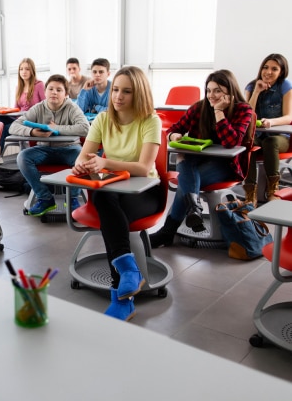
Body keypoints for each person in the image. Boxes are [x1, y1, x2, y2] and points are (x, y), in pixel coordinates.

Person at [72, 66, 162, 321]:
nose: (118, 96)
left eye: (127, 91)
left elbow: (144, 169)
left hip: (145, 193)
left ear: (140, 94)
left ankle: (122, 296)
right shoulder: (102, 119)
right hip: (111, 190)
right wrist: (82, 164)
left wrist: (106, 163)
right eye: (116, 90)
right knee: (103, 197)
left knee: (110, 212)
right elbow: (83, 156)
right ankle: (128, 274)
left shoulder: (150, 120)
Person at [150, 70, 253, 248]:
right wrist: (175, 136)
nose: (211, 95)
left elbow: (231, 142)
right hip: (196, 162)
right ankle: (194, 210)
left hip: (226, 165)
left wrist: (219, 112)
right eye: (208, 90)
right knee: (184, 159)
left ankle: (169, 230)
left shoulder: (243, 109)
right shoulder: (199, 107)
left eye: (217, 91)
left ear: (230, 91)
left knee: (185, 184)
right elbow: (174, 129)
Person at [9, 74, 90, 216]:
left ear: (65, 94)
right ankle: (45, 198)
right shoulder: (38, 108)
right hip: (44, 149)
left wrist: (57, 128)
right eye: (51, 89)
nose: (54, 92)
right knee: (22, 157)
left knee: (82, 158)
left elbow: (85, 128)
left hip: (69, 149)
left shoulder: (72, 107)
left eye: (59, 90)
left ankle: (72, 198)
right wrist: (33, 132)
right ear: (45, 92)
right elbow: (13, 127)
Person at [242, 53, 292, 205]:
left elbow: (289, 117)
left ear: (281, 72)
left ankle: (273, 190)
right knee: (247, 143)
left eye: (274, 69)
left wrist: (271, 121)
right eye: (265, 67)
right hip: (257, 136)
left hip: (280, 137)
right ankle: (250, 194)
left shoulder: (285, 86)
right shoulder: (251, 86)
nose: (268, 72)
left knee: (270, 142)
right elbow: (246, 115)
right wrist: (257, 92)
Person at [0, 57, 46, 165]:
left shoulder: (39, 85)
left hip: (31, 121)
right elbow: (16, 109)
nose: (24, 72)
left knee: (4, 128)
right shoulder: (19, 87)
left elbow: (45, 106)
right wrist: (3, 109)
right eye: (21, 69)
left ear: (32, 71)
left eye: (27, 69)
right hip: (19, 119)